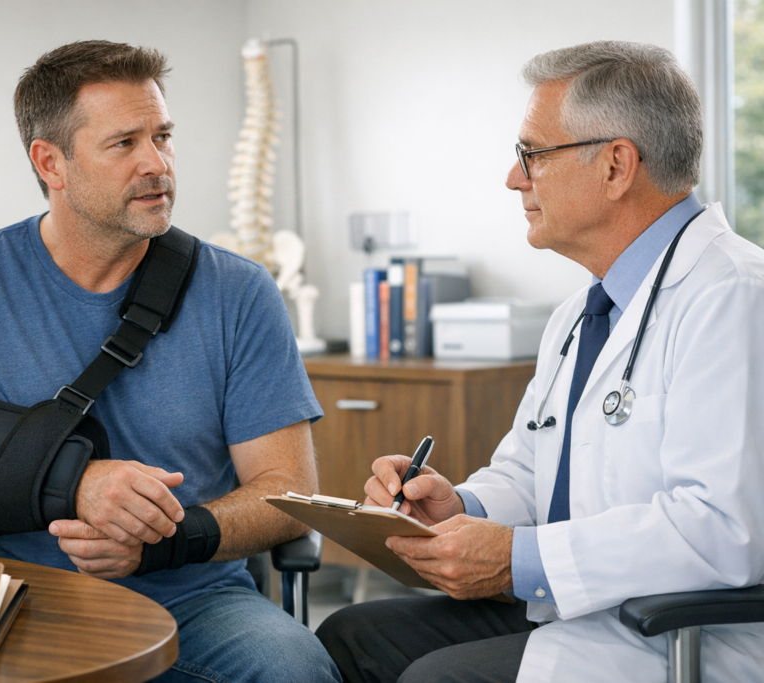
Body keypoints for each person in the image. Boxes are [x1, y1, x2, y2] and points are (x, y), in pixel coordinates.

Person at [0, 40, 340, 683]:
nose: (157, 163)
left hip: (191, 603)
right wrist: (72, 485)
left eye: (163, 136)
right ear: (50, 162)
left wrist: (164, 539)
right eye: (124, 144)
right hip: (6, 599)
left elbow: (287, 493)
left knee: (295, 671)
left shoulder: (240, 292)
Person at [317, 40, 764, 682]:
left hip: (679, 639)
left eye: (532, 155)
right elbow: (528, 473)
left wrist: (522, 560)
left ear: (616, 166)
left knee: (432, 678)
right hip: (581, 613)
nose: (514, 178)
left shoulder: (734, 297)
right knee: (350, 636)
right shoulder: (580, 315)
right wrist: (459, 505)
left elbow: (724, 530)